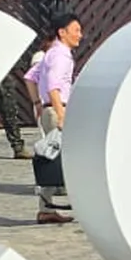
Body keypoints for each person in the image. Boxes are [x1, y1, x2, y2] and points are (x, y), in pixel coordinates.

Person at [32, 13, 82, 226]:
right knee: (63, 158)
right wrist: (61, 114)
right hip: (57, 108)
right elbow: (53, 86)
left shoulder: (49, 53)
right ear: (62, 33)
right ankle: (77, 204)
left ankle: (46, 208)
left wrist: (36, 103)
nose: (80, 35)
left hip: (49, 108)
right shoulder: (60, 55)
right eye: (76, 30)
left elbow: (30, 77)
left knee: (51, 156)